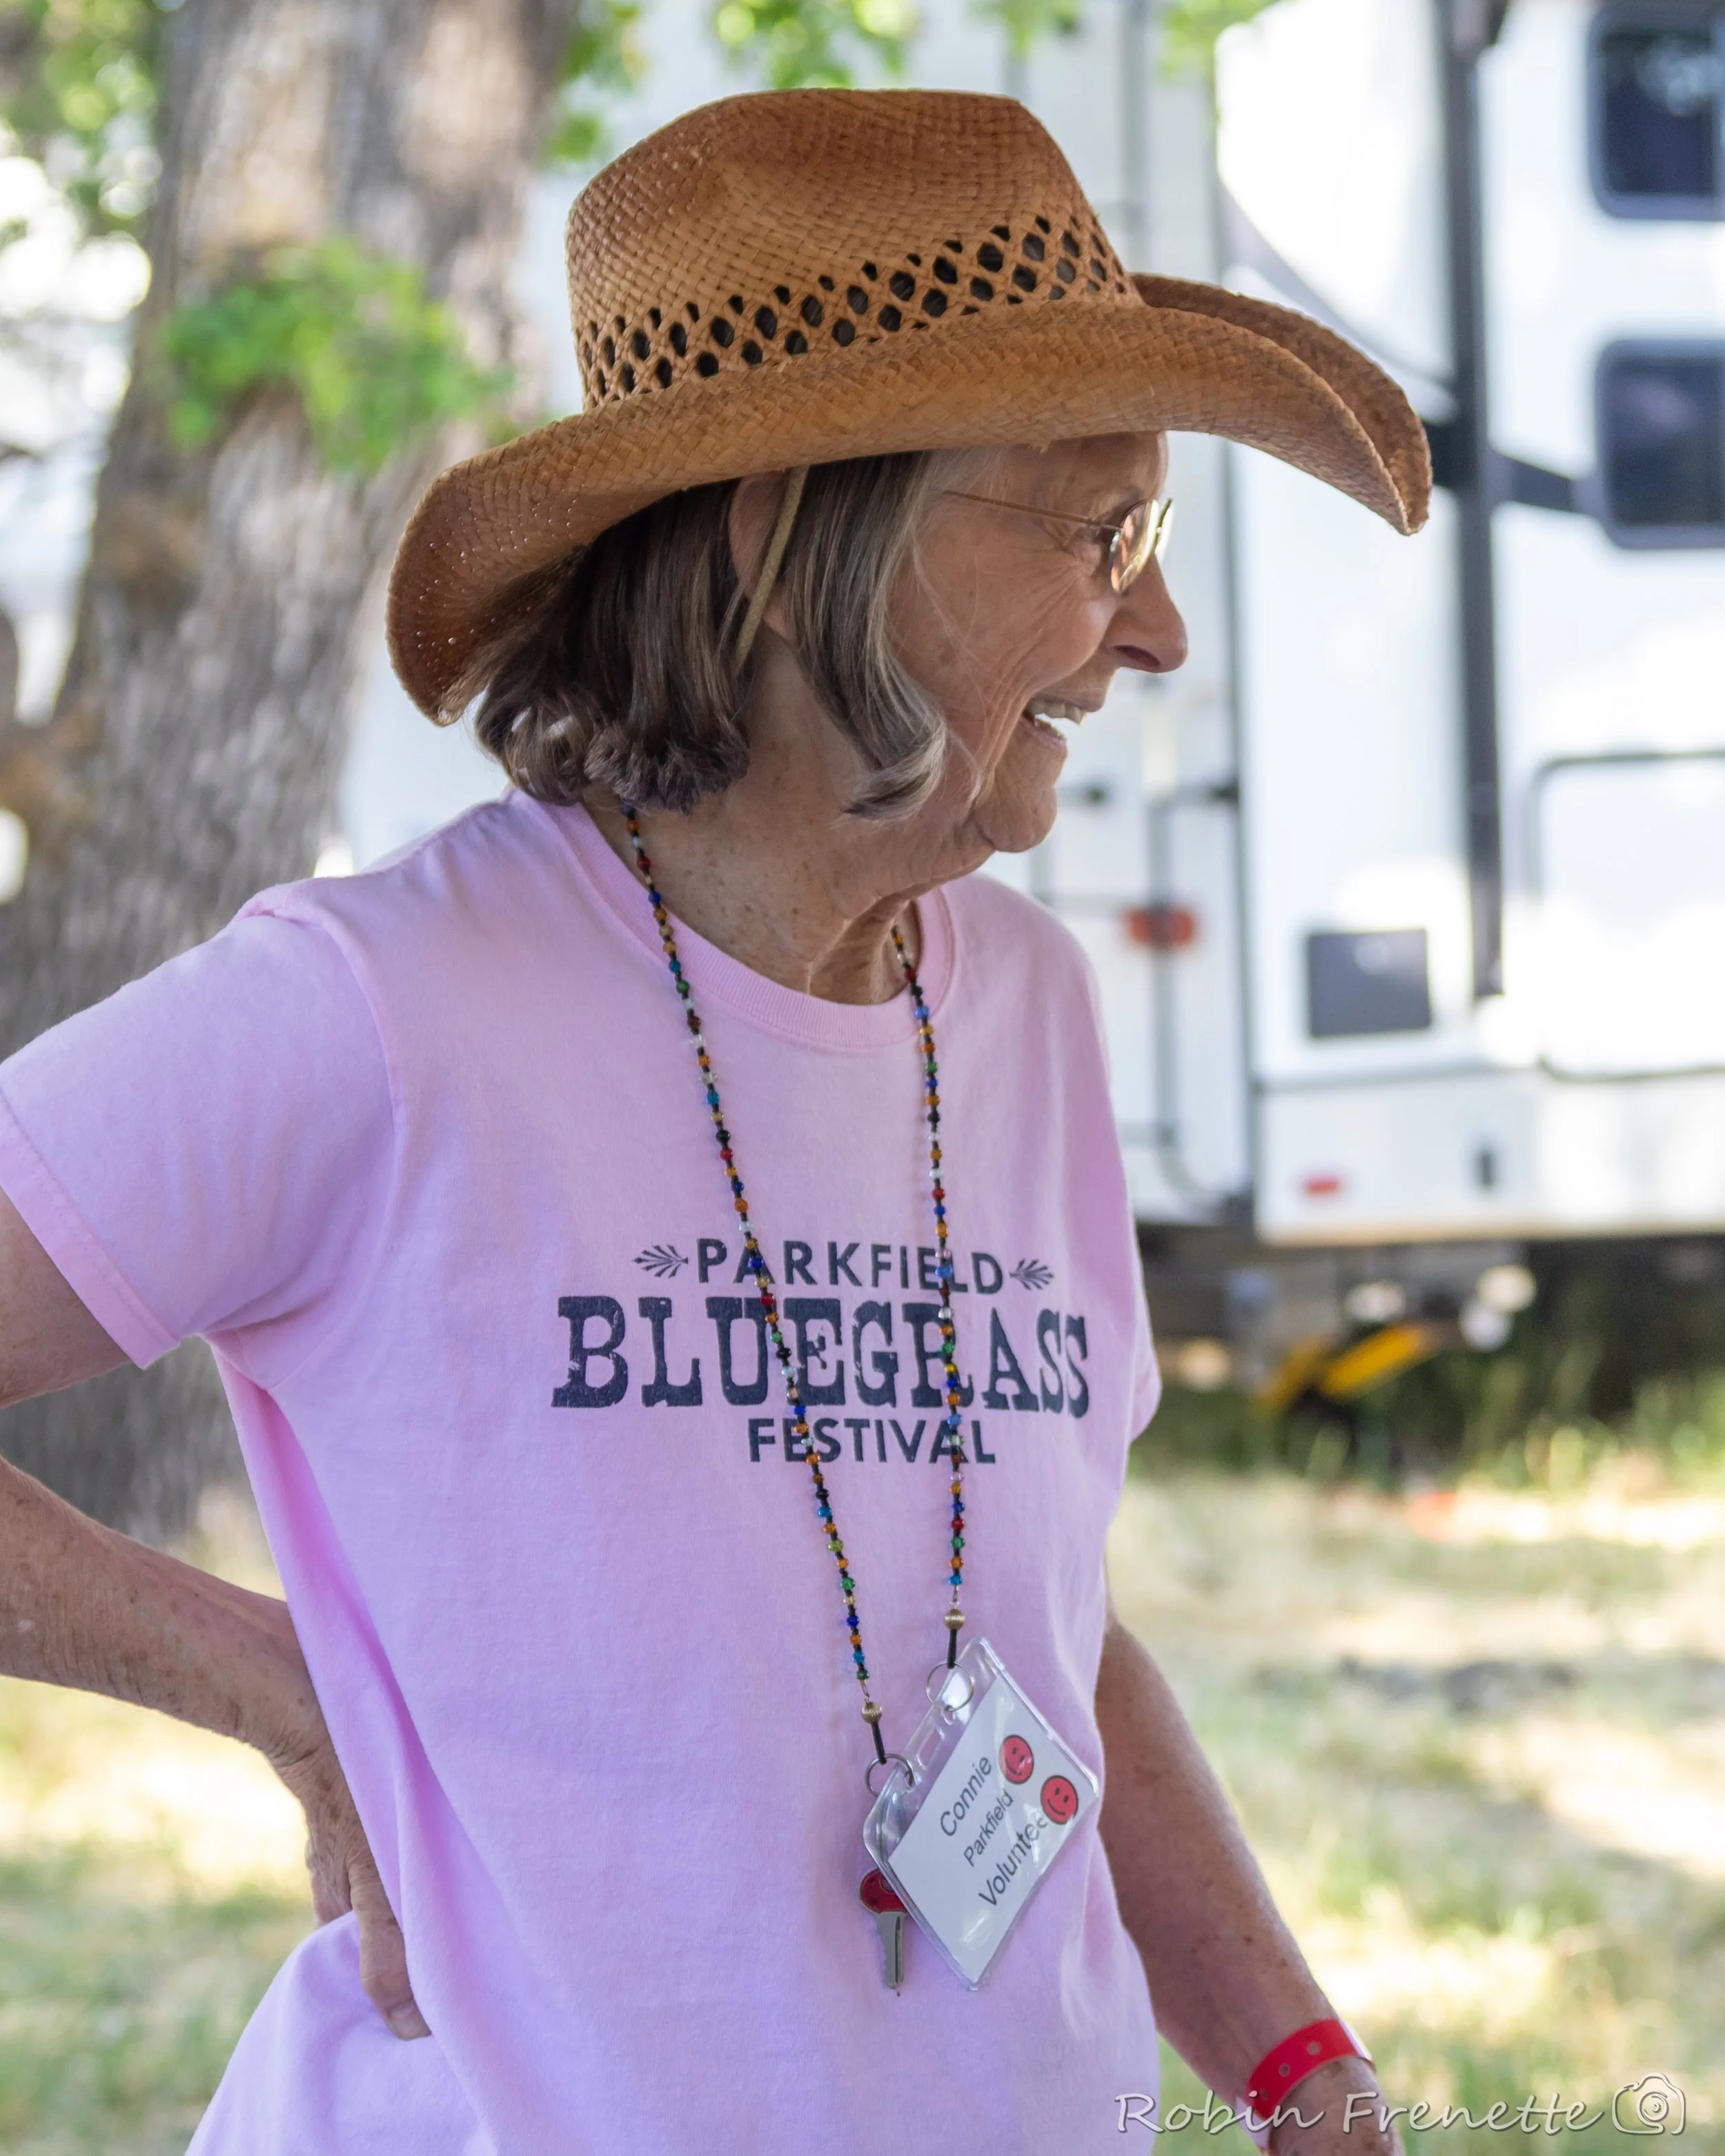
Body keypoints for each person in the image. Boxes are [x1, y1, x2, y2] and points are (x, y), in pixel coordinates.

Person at [0, 88, 1428, 2156]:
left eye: (1160, 540)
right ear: (785, 538)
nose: (1155, 629)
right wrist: (287, 1690)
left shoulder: (1022, 1007)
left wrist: (1299, 2070)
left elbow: (1035, 1631)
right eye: (1091, 531)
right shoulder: (378, 1011)